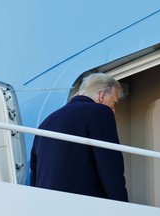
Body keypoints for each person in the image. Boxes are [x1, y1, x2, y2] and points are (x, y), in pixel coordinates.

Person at [30, 72, 128, 202]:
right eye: (114, 102)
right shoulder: (100, 112)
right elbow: (110, 167)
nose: (113, 110)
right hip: (84, 205)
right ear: (102, 95)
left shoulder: (46, 122)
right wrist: (122, 207)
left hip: (47, 205)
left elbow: (34, 174)